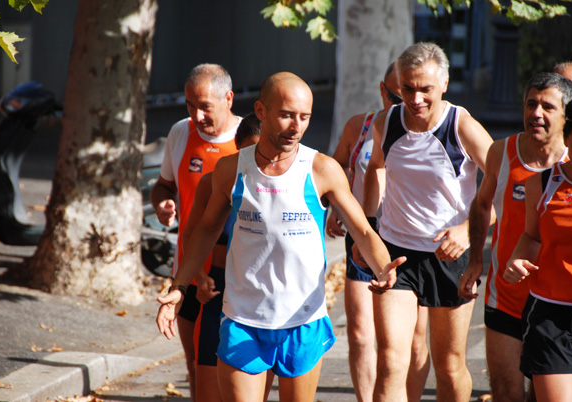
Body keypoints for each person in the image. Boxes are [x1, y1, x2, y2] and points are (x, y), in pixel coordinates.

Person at [156, 72, 406, 402]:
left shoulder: (321, 169)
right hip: (243, 318)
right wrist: (179, 285)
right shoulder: (232, 170)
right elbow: (205, 231)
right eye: (287, 115)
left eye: (304, 117)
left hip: (302, 320)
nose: (296, 127)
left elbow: (361, 229)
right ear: (261, 111)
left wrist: (383, 267)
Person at [361, 42, 493, 402]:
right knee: (390, 361)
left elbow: (501, 187)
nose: (415, 98)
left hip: (448, 257)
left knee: (449, 365)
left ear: (445, 83)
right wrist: (369, 231)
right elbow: (375, 169)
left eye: (425, 89)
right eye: (407, 88)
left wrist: (468, 231)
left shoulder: (460, 124)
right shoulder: (386, 121)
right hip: (397, 254)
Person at [458, 72, 572, 401]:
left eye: (547, 107)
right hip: (508, 295)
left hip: (561, 301)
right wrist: (473, 263)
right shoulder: (502, 152)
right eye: (530, 104)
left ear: (567, 115)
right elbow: (482, 204)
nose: (536, 113)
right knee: (506, 393)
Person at [326, 62, 430, 402]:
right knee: (358, 333)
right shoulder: (361, 125)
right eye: (395, 96)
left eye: (410, 95)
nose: (403, 104)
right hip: (365, 237)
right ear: (382, 91)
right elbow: (338, 164)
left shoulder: (432, 127)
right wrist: (336, 205)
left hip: (412, 243)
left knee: (413, 339)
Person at [150, 63, 241, 401]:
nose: (196, 115)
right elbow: (163, 186)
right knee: (194, 366)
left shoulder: (250, 138)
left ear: (228, 98)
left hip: (232, 275)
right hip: (187, 272)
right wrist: (163, 205)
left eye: (205, 106)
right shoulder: (180, 132)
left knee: (230, 370)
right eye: (190, 105)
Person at [180, 113, 274, 401]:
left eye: (264, 150)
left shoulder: (279, 186)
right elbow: (192, 235)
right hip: (218, 291)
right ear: (237, 147)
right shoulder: (215, 182)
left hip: (261, 300)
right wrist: (198, 277)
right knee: (207, 390)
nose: (258, 159)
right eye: (250, 150)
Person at [503, 95, 572, 402]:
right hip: (552, 315)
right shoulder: (541, 183)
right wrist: (517, 260)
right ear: (566, 141)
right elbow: (532, 236)